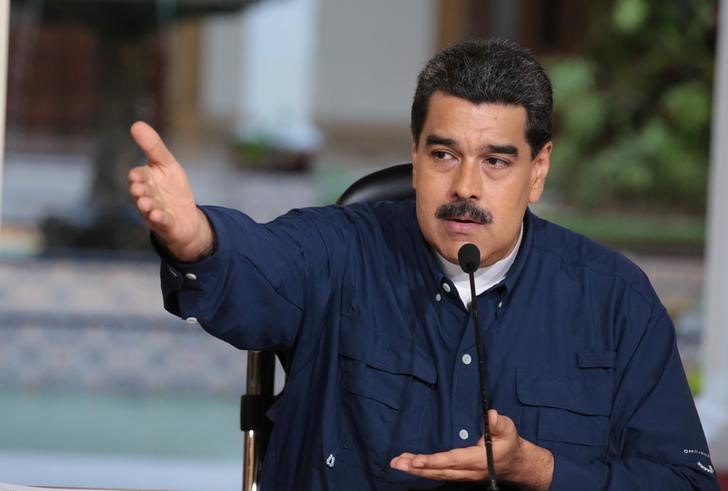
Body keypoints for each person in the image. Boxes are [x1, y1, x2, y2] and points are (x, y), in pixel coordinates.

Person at [128, 38, 718, 490]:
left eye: (496, 161)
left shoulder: (614, 301)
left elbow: (681, 481)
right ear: (414, 156)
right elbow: (254, 267)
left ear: (537, 170)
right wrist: (196, 237)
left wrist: (538, 469)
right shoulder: (341, 252)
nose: (465, 187)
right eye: (444, 154)